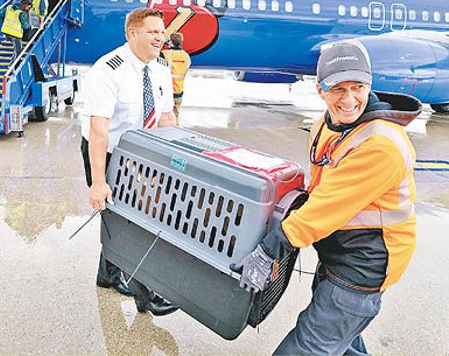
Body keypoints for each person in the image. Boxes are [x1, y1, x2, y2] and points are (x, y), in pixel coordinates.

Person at [231, 43, 421, 355]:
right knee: (341, 341)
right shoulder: (325, 125)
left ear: (369, 85)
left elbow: (324, 209)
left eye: (358, 87)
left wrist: (269, 251)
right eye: (338, 89)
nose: (349, 100)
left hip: (364, 264)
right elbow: (320, 189)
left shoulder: (382, 145)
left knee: (309, 347)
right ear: (321, 90)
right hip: (339, 252)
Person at [81, 7, 178, 316]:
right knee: (128, 221)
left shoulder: (161, 67)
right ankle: (145, 294)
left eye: (162, 32)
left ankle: (107, 276)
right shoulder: (108, 70)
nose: (160, 37)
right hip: (107, 151)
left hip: (141, 152)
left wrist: (178, 158)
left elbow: (166, 116)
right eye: (153, 31)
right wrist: (98, 182)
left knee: (125, 218)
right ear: (132, 33)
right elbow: (99, 131)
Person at [161, 32, 191, 124]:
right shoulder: (186, 56)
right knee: (176, 115)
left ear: (170, 42)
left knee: (163, 116)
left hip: (166, 92)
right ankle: (175, 131)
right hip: (179, 91)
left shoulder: (164, 54)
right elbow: (186, 68)